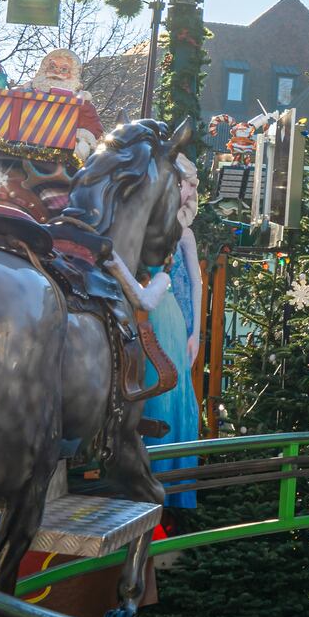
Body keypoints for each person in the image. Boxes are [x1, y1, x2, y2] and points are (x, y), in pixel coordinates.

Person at [114, 158, 203, 509]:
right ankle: (141, 483)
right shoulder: (147, 225)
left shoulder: (184, 234)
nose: (192, 191)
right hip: (141, 313)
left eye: (194, 185)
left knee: (167, 390)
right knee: (147, 390)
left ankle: (166, 486)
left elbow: (197, 282)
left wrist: (196, 332)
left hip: (167, 317)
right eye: (188, 183)